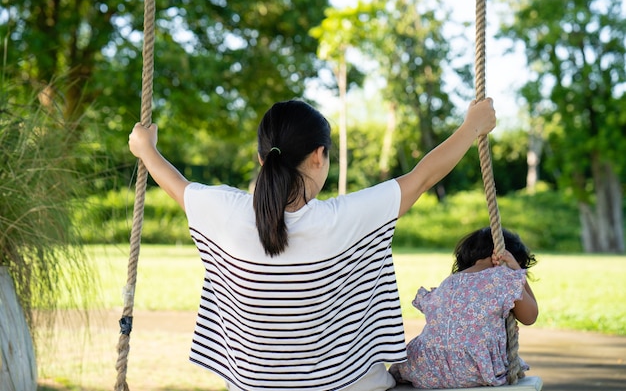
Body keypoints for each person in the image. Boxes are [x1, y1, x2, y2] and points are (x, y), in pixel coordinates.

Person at [128, 98, 496, 391]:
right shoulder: (344, 219)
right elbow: (422, 177)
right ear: (319, 155)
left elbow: (176, 185)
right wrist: (472, 127)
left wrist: (146, 150)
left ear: (261, 159)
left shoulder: (225, 212)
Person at [389, 227, 539, 389]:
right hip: (476, 370)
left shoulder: (450, 281)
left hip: (429, 369)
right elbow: (530, 317)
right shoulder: (503, 278)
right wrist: (516, 271)